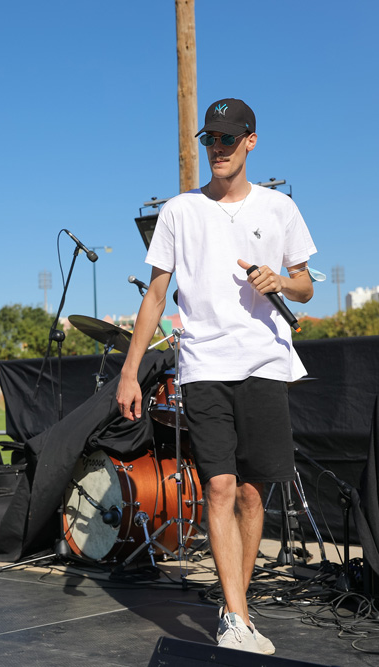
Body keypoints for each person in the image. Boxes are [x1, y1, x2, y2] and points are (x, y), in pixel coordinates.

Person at [115, 99, 316, 655]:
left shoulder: (279, 209)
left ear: (251, 141)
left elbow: (307, 286)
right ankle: (237, 616)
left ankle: (235, 605)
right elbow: (157, 295)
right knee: (221, 486)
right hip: (204, 365)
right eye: (211, 140)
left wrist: (283, 281)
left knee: (254, 495)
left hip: (265, 362)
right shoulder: (180, 210)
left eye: (229, 139)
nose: (219, 148)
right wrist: (130, 373)